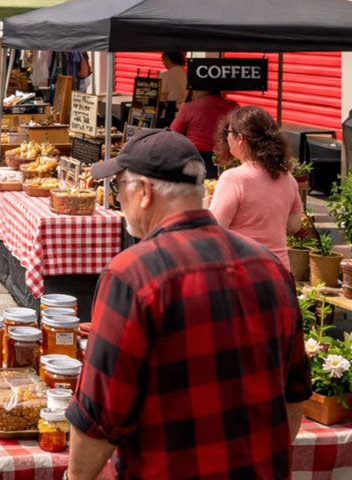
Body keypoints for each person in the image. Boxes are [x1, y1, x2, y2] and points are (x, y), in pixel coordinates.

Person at [68, 129, 308, 480]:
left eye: (119, 189)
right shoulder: (270, 266)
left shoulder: (132, 275)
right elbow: (293, 395)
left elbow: (101, 418)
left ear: (144, 193)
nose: (118, 200)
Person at [210, 106, 303, 268]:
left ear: (240, 138)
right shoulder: (288, 178)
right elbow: (294, 226)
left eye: (228, 133)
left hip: (244, 272)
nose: (226, 139)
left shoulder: (233, 179)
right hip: (279, 271)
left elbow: (214, 229)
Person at [170, 89, 240, 177]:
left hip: (194, 161)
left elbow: (173, 134)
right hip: (224, 161)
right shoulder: (234, 106)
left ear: (198, 91)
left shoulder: (189, 107)